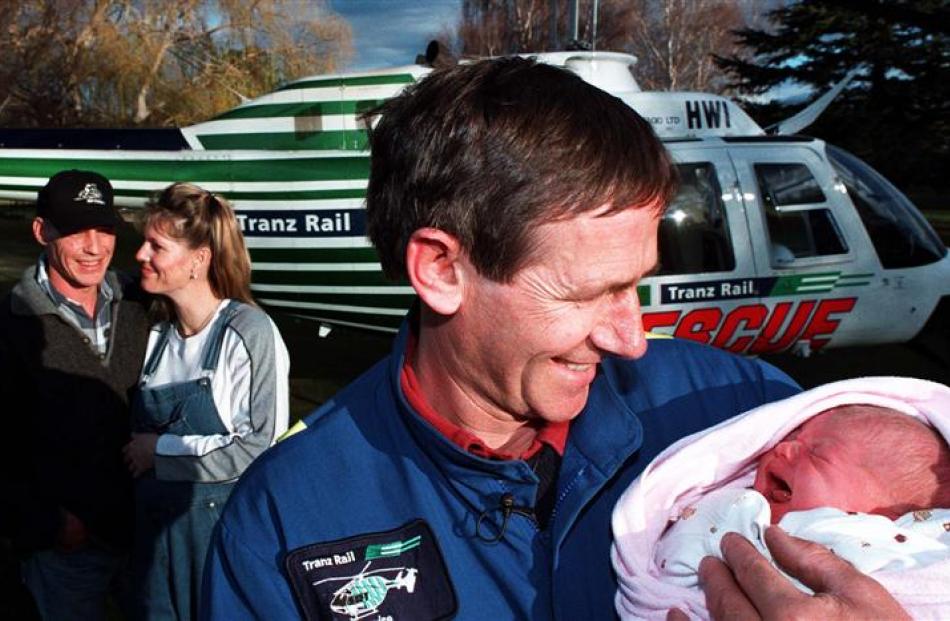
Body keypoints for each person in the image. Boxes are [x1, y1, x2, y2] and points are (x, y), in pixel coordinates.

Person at [201, 56, 901, 620]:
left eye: (636, 282)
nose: (633, 337)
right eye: (589, 291)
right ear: (442, 269)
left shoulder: (752, 412)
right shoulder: (285, 521)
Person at [612, 376, 950, 620]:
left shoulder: (915, 550)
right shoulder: (739, 510)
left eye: (817, 453)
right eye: (792, 435)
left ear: (886, 514)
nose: (784, 447)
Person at [122, 182, 290, 620]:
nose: (140, 255)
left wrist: (160, 451)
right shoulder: (155, 339)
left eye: (156, 246)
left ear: (199, 259)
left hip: (218, 542)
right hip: (153, 546)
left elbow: (259, 447)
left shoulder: (249, 333)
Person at [0, 169, 151, 620]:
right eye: (75, 230)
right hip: (66, 551)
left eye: (104, 230)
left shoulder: (144, 301)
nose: (94, 247)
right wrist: (49, 524)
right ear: (41, 231)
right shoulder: (9, 324)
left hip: (148, 537)